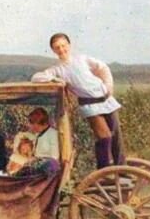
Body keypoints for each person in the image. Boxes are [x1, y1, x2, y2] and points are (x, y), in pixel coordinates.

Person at [31, 33, 124, 169]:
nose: (61, 49)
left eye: (63, 45)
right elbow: (36, 78)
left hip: (106, 99)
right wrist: (56, 79)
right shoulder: (57, 70)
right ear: (53, 50)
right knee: (105, 137)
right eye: (57, 47)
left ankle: (122, 169)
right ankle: (104, 171)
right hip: (89, 105)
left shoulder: (82, 59)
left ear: (69, 45)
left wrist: (108, 85)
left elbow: (103, 67)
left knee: (116, 136)